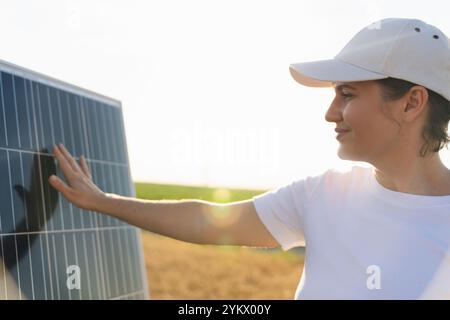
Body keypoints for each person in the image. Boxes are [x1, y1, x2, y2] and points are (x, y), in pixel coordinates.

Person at [49, 17, 450, 299]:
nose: (330, 112)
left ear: (412, 103)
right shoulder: (323, 194)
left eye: (347, 94)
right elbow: (210, 222)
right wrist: (103, 201)